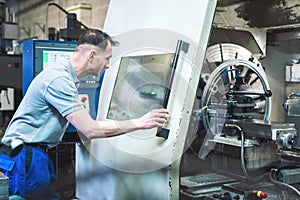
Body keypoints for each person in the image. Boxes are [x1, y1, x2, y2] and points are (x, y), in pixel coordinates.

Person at [0, 29, 169, 199]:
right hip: (25, 156)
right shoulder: (59, 79)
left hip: (30, 154)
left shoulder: (65, 77)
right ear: (92, 55)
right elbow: (90, 129)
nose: (108, 65)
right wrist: (140, 122)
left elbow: (84, 126)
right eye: (107, 58)